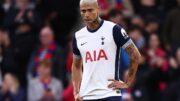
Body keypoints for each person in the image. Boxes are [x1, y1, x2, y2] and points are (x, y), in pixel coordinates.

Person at [72, 0, 141, 101]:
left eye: (90, 10)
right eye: (83, 11)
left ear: (98, 9)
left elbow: (135, 55)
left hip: (109, 93)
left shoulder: (114, 29)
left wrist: (128, 82)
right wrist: (76, 92)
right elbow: (76, 66)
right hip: (87, 95)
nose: (86, 14)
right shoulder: (78, 36)